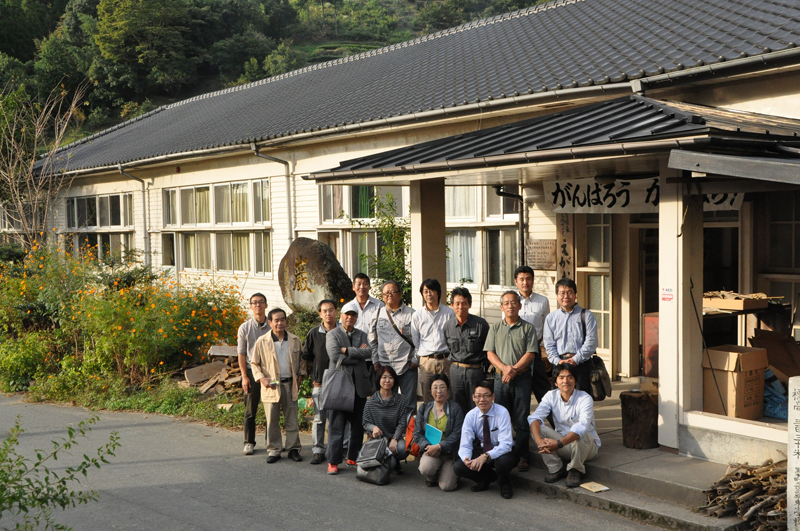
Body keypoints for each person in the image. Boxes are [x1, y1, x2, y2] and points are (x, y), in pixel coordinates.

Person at [485, 291, 541, 473]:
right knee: (500, 417)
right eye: (506, 303)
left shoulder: (528, 328)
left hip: (522, 378)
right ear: (501, 307)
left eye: (513, 302)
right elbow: (490, 353)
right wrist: (504, 368)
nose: (510, 306)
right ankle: (502, 452)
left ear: (519, 305)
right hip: (500, 378)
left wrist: (513, 369)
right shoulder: (495, 328)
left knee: (521, 418)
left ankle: (523, 455)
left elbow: (530, 353)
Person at [529, 363, 600, 488]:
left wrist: (558, 444)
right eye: (561, 378)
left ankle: (575, 470)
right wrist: (540, 442)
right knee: (537, 428)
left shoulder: (585, 398)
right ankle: (556, 468)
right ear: (555, 382)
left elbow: (582, 426)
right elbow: (535, 418)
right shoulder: (551, 396)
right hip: (563, 445)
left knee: (580, 433)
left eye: (570, 377)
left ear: (575, 381)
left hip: (587, 447)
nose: (565, 381)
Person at [251, 308, 304, 464]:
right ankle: (274, 450)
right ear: (270, 322)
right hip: (272, 384)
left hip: (289, 383)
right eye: (276, 320)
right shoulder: (262, 341)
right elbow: (254, 363)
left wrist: (300, 378)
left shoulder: (295, 340)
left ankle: (293, 449)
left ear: (286, 321)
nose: (280, 323)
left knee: (292, 418)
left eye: (282, 319)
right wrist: (262, 379)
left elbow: (302, 362)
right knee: (272, 419)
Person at [325, 307, 373, 475]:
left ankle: (353, 457)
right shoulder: (333, 334)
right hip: (340, 386)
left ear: (356, 317)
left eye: (353, 315)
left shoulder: (362, 334)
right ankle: (333, 461)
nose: (350, 318)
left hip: (359, 386)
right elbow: (334, 356)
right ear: (341, 316)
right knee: (336, 425)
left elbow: (369, 352)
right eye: (347, 314)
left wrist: (347, 350)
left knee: (358, 425)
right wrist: (357, 356)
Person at [453, 381, 519, 499]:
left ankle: (505, 484)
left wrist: (486, 456)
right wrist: (466, 459)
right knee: (459, 467)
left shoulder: (502, 412)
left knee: (504, 462)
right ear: (473, 397)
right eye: (478, 396)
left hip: (501, 451)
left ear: (493, 396)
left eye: (486, 395)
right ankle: (486, 479)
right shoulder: (470, 416)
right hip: (482, 449)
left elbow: (506, 444)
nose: (482, 399)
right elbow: (465, 444)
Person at [369, 280, 417, 413]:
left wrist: (415, 359)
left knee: (409, 405)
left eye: (393, 292)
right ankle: (389, 427)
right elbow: (372, 341)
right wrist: (375, 360)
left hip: (407, 366)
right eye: (386, 293)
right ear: (382, 296)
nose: (390, 295)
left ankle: (409, 427)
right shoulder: (377, 314)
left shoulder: (412, 314)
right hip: (385, 367)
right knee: (387, 403)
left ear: (400, 294)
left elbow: (419, 340)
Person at [543, 278, 598, 392]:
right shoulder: (551, 318)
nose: (566, 296)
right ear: (557, 295)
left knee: (581, 399)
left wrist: (575, 359)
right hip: (559, 364)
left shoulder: (587, 315)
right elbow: (549, 345)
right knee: (561, 400)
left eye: (570, 292)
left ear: (575, 295)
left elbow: (591, 342)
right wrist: (558, 361)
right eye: (562, 293)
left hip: (581, 364)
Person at [301, 299, 338, 465]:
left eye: (331, 310)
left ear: (336, 311)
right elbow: (308, 357)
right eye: (324, 311)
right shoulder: (314, 333)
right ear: (320, 314)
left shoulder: (342, 331)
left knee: (337, 419)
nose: (328, 314)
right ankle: (318, 450)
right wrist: (315, 376)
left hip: (338, 384)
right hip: (320, 384)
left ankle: (337, 450)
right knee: (319, 419)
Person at [412, 374, 464, 491]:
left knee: (447, 486)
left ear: (448, 389)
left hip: (449, 452)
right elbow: (417, 433)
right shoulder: (424, 408)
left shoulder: (455, 409)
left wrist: (440, 446)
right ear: (430, 390)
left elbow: (457, 434)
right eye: (435, 387)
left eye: (442, 387)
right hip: (431, 450)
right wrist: (427, 446)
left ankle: (449, 472)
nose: (439, 391)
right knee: (426, 468)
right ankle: (432, 476)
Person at [443, 287, 489, 413]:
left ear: (469, 305)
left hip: (475, 371)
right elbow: (449, 346)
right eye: (457, 303)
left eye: (464, 303)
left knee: (478, 405)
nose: (460, 307)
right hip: (456, 371)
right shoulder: (448, 326)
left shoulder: (481, 324)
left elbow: (488, 349)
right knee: (457, 406)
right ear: (452, 305)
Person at [237, 293, 271, 456]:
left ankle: (271, 442)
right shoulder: (245, 328)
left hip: (270, 372)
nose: (258, 305)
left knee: (271, 409)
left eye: (261, 302)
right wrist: (244, 376)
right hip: (251, 372)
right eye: (255, 302)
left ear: (266, 305)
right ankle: (249, 442)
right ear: (251, 306)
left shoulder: (272, 325)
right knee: (250, 410)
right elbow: (241, 353)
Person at [411, 278, 455, 403]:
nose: (429, 294)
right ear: (422, 294)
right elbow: (416, 340)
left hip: (445, 360)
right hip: (427, 361)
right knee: (428, 395)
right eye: (425, 291)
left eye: (432, 291)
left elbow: (453, 337)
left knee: (448, 395)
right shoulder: (417, 315)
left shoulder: (449, 313)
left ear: (438, 292)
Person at [514, 265, 552, 400]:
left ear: (533, 280)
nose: (525, 282)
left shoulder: (542, 301)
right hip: (516, 351)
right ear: (516, 281)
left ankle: (551, 413)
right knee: (520, 392)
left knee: (543, 390)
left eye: (528, 279)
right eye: (522, 279)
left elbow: (547, 327)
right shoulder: (511, 300)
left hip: (536, 350)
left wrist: (545, 349)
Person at [362, 366, 408, 474]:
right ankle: (391, 462)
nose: (387, 380)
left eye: (391, 377)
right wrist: (374, 428)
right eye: (384, 377)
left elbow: (402, 423)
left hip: (394, 438)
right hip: (377, 440)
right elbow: (365, 422)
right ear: (379, 379)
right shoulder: (371, 401)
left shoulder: (401, 400)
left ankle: (395, 460)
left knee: (403, 449)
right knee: (389, 465)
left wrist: (395, 439)